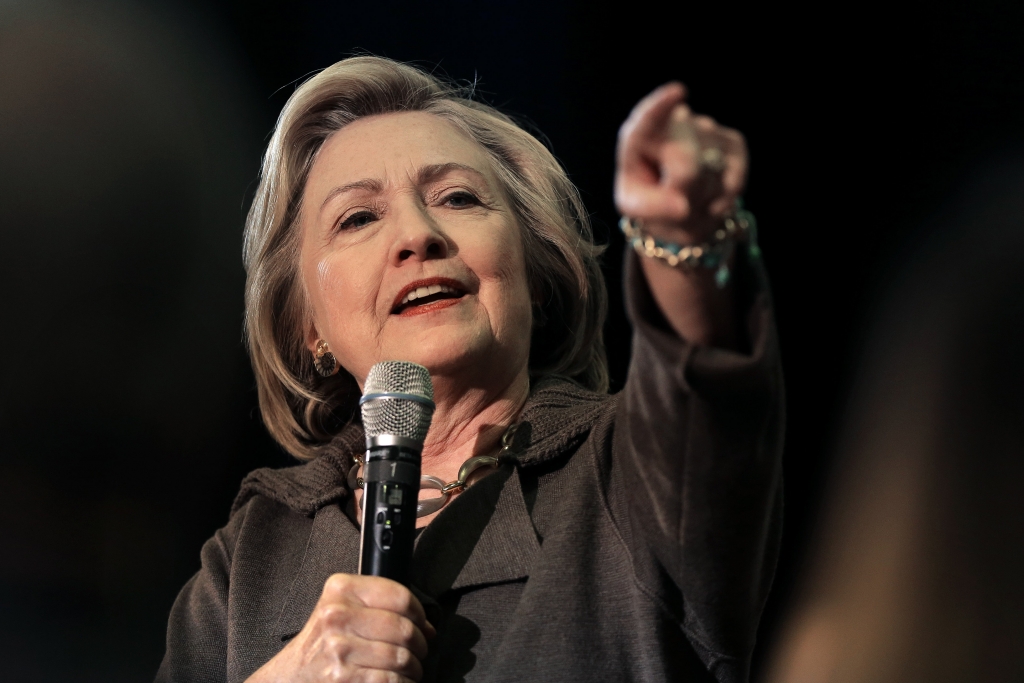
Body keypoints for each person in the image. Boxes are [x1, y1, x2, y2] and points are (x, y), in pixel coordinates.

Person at [156, 56, 784, 683]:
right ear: (308, 328)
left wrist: (683, 238)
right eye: (359, 218)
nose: (418, 235)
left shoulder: (629, 475)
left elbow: (702, 384)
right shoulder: (248, 558)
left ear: (537, 274)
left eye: (457, 198)